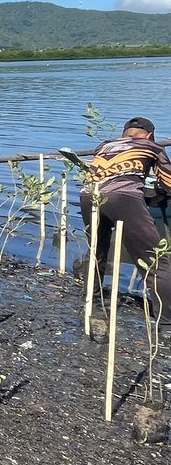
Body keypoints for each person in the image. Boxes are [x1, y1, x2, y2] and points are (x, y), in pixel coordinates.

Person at [78, 116, 171, 316]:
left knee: (97, 249)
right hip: (123, 197)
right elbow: (168, 182)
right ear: (150, 135)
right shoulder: (152, 146)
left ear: (124, 134)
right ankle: (166, 321)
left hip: (88, 195)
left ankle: (91, 301)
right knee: (156, 260)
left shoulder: (104, 145)